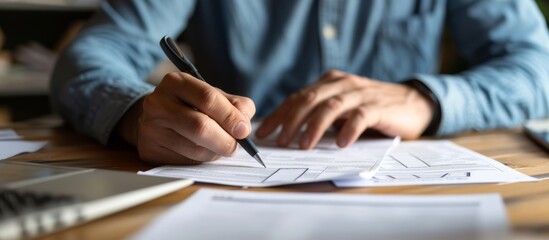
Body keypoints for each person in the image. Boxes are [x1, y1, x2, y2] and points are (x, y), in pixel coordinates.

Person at [51, 0, 549, 165]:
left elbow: (536, 64)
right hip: (229, 189)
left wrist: (426, 99)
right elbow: (93, 53)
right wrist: (136, 114)